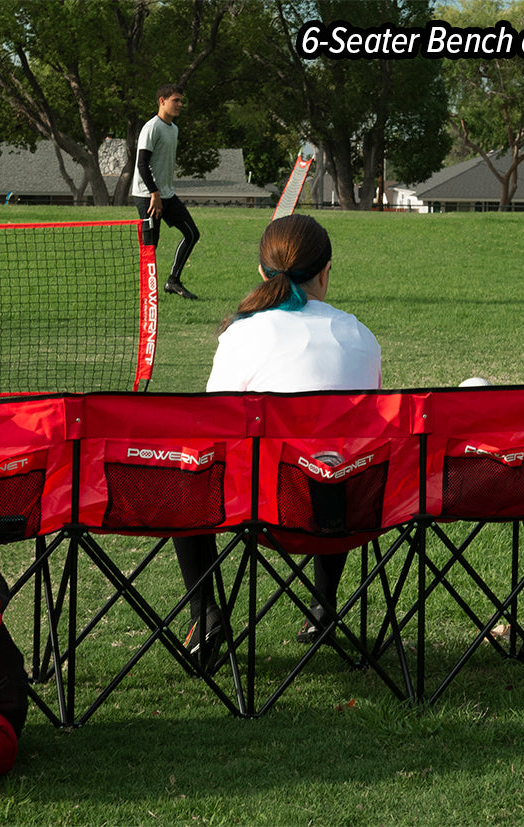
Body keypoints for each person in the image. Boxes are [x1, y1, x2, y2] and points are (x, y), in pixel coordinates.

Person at [176, 214, 382, 670]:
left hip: (264, 510)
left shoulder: (242, 336)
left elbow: (213, 429)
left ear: (262, 273)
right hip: (349, 511)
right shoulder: (361, 337)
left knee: (188, 469)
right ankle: (322, 608)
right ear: (326, 271)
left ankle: (206, 615)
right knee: (337, 458)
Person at [133, 83, 202, 300]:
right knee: (150, 247)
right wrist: (154, 194)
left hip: (167, 196)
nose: (180, 104)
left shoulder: (174, 129)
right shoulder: (151, 127)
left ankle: (173, 281)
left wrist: (163, 193)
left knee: (192, 234)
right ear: (162, 101)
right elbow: (142, 164)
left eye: (181, 100)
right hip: (148, 197)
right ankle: (148, 294)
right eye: (176, 100)